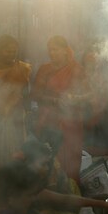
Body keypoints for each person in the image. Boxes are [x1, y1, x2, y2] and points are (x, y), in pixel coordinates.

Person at [31, 35, 91, 183]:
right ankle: (52, 195)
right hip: (48, 121)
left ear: (65, 50)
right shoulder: (44, 69)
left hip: (72, 121)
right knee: (50, 158)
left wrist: (75, 99)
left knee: (71, 159)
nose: (52, 53)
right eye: (50, 50)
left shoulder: (76, 69)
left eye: (56, 50)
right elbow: (35, 94)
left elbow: (88, 94)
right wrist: (54, 100)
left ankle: (71, 192)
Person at [0, 35, 31, 174]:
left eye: (14, 51)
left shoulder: (21, 68)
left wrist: (28, 110)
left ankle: (12, 178)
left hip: (16, 116)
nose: (12, 54)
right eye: (8, 51)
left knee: (15, 148)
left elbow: (25, 91)